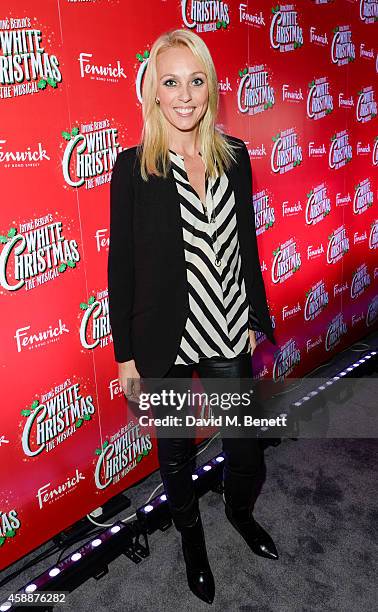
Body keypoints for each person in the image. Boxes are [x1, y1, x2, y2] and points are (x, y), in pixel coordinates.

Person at [108, 29, 278, 605]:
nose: (184, 95)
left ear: (210, 86)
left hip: (228, 325)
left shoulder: (236, 157)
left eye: (195, 80)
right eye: (170, 82)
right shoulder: (134, 169)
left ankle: (238, 511)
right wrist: (126, 355)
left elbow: (247, 244)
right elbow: (122, 267)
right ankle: (191, 539)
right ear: (153, 92)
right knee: (176, 452)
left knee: (247, 448)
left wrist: (258, 315)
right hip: (166, 340)